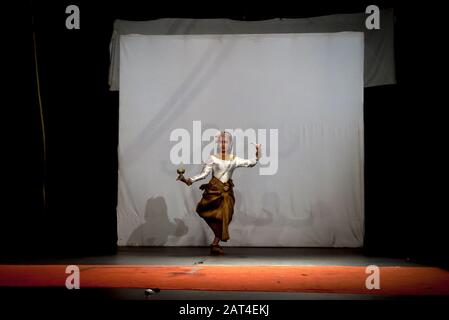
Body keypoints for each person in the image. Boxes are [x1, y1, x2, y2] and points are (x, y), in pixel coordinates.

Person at [177, 131, 261, 255]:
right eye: (221, 141)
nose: (223, 144)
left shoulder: (234, 159)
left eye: (225, 141)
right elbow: (203, 174)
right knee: (204, 211)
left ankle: (215, 244)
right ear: (218, 142)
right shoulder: (212, 158)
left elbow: (251, 163)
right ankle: (215, 244)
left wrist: (258, 151)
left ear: (230, 143)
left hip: (227, 193)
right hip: (214, 192)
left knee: (225, 218)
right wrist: (187, 180)